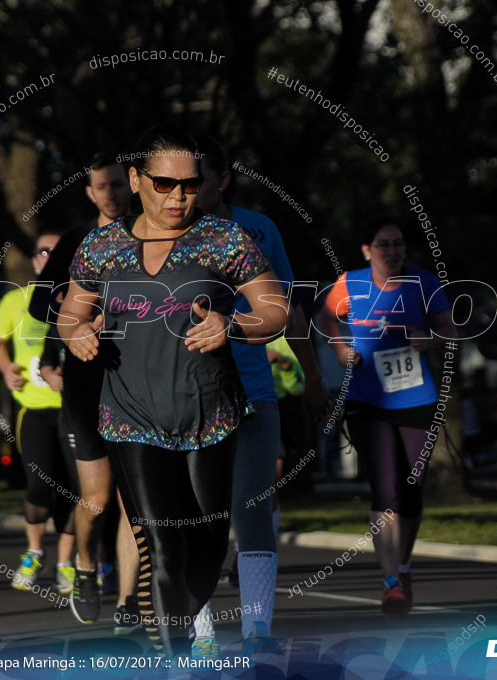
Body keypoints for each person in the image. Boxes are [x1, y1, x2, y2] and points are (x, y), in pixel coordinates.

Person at [59, 126, 288, 656]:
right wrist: (77, 333)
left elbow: (275, 311)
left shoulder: (224, 240)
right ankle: (174, 662)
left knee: (206, 549)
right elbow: (72, 311)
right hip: (129, 416)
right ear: (137, 180)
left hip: (211, 413)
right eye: (164, 184)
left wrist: (232, 326)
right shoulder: (103, 246)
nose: (178, 197)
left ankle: (176, 631)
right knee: (164, 548)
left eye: (189, 184)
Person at [193, 136, 328, 655]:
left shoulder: (259, 229)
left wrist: (312, 375)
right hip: (188, 399)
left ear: (223, 179)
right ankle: (200, 633)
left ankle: (258, 631)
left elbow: (289, 311)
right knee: (199, 516)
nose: (186, 191)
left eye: (198, 179)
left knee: (252, 510)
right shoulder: (161, 237)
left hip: (252, 392)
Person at [27, 152, 141, 631]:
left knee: (134, 504)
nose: (111, 194)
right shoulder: (76, 241)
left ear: (132, 185)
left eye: (118, 184)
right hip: (86, 388)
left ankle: (129, 601)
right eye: (102, 187)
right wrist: (76, 323)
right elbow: (39, 305)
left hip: (139, 386)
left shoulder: (151, 237)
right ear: (90, 192)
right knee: (96, 498)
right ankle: (87, 568)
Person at [321, 218, 455, 618]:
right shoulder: (351, 282)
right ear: (367, 249)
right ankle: (390, 582)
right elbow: (327, 320)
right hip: (366, 398)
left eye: (398, 244)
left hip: (416, 398)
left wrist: (429, 340)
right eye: (383, 245)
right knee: (387, 491)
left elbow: (450, 330)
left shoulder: (424, 283)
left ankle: (404, 564)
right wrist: (341, 349)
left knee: (411, 493)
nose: (392, 251)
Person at [0, 233, 78, 598]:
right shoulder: (16, 300)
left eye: (58, 252)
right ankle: (35, 552)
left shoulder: (81, 298)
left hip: (73, 411)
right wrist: (6, 366)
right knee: (39, 485)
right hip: (33, 410)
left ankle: (66, 564)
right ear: (35, 260)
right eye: (44, 252)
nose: (50, 257)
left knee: (76, 491)